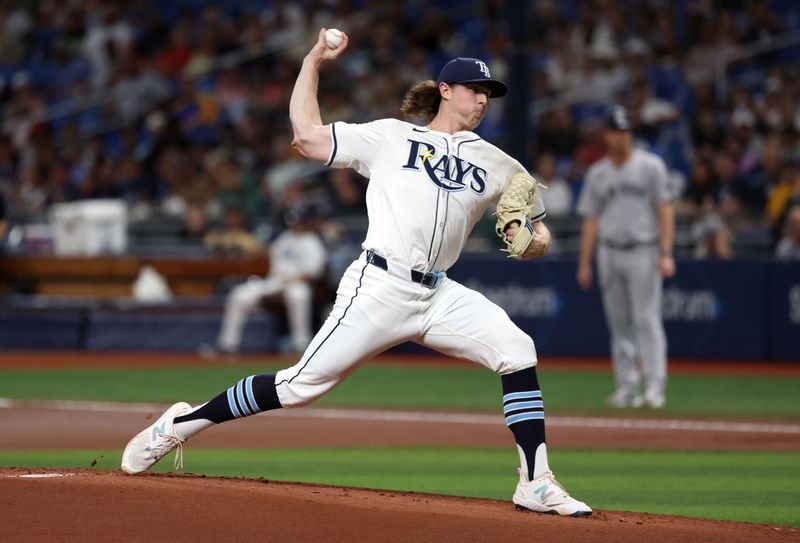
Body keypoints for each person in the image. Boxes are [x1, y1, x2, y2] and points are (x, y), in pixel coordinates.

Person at [121, 29, 591, 517]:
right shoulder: (391, 136)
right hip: (379, 286)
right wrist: (313, 62)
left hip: (439, 293)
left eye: (489, 93)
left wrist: (534, 240)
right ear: (446, 91)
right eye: (475, 89)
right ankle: (179, 425)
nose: (483, 100)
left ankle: (534, 482)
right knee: (298, 386)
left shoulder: (498, 164)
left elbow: (537, 229)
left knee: (517, 350)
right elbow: (306, 136)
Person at [576, 105, 676, 409]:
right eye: (615, 131)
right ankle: (627, 388)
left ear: (630, 134)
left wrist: (666, 252)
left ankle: (655, 388)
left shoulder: (650, 166)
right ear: (606, 135)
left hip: (643, 250)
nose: (621, 137)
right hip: (608, 251)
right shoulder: (597, 173)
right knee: (619, 324)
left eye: (625, 131)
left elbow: (665, 209)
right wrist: (584, 261)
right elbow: (591, 219)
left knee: (646, 320)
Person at [201, 204, 328, 356]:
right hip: (275, 282)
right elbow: (268, 257)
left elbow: (311, 274)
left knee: (298, 294)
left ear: (306, 222)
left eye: (298, 221)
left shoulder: (312, 242)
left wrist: (284, 288)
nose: (295, 225)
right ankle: (228, 345)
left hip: (296, 283)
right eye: (293, 221)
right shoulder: (285, 238)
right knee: (239, 294)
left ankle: (301, 344)